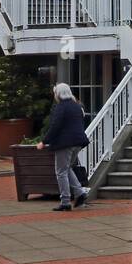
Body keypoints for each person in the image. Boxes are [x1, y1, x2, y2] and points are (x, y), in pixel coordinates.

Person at [35, 83, 90, 211]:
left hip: (65, 144)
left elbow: (55, 126)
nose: (54, 96)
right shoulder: (77, 106)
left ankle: (65, 201)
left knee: (60, 172)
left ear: (58, 94)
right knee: (67, 168)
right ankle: (80, 193)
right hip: (78, 142)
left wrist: (44, 142)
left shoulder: (61, 107)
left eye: (55, 93)